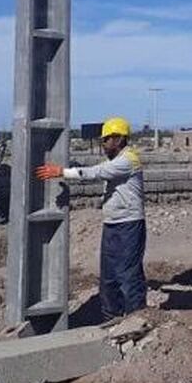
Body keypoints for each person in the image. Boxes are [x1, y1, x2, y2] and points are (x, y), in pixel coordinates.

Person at [36, 117, 146, 322]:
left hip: (129, 225)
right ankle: (111, 317)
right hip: (112, 224)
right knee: (109, 275)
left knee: (128, 274)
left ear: (119, 139)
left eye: (106, 140)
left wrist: (62, 172)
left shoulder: (128, 160)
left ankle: (136, 318)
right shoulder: (116, 160)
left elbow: (98, 172)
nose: (103, 144)